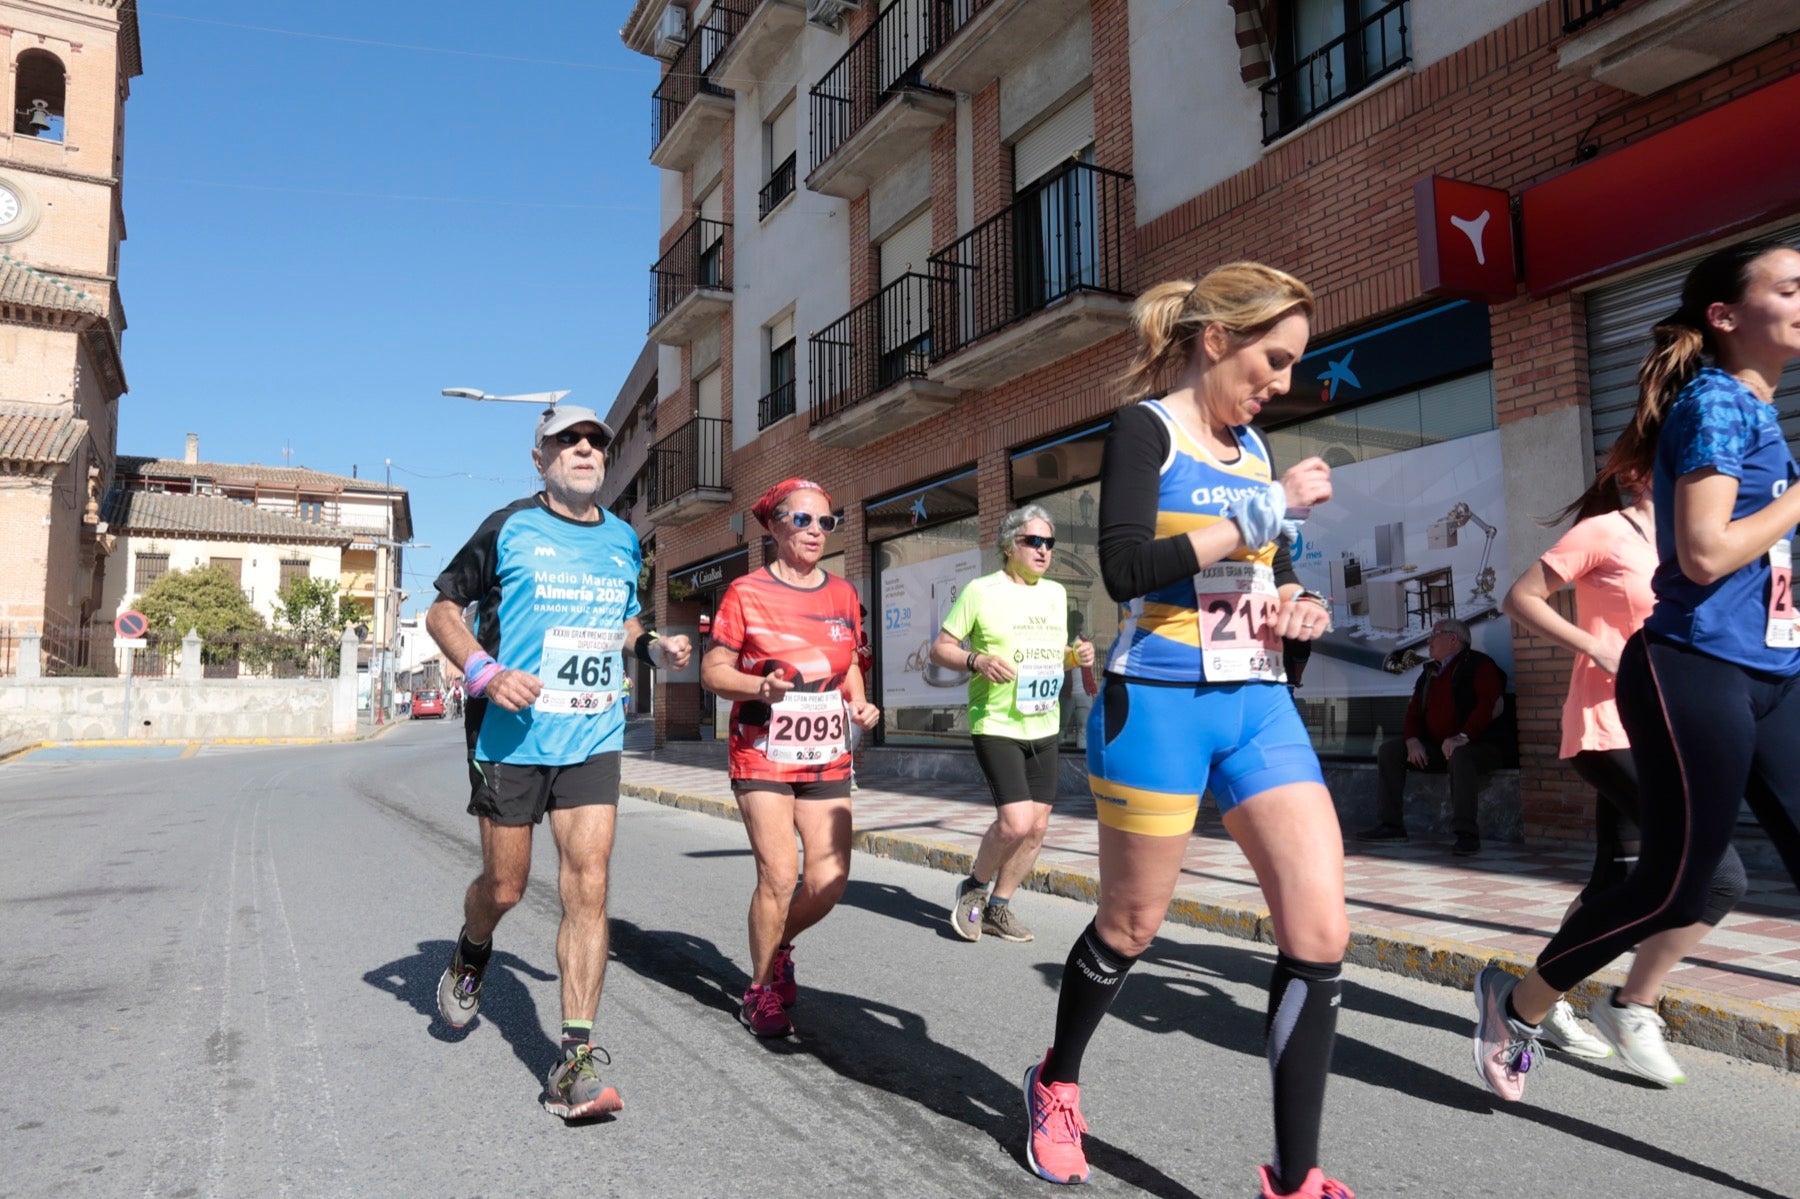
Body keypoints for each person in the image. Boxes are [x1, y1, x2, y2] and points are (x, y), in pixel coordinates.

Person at [1022, 263, 1350, 1199]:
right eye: (1273, 359)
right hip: (1157, 702)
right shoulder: (1146, 428)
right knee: (1131, 923)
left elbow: (1274, 570)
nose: (1282, 383)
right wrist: (1248, 519)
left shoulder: (1255, 453)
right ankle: (1056, 1081)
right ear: (1217, 340)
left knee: (1320, 929)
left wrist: (1302, 600)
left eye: (1292, 366)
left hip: (1256, 702)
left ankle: (1296, 1176)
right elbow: (1126, 566)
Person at [1472, 239, 1800, 1104]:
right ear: (1726, 317)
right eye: (1792, 287)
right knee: (1676, 880)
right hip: (1695, 670)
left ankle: (1599, 1001)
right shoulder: (1716, 403)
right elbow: (1702, 556)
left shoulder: (1760, 417)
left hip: (1774, 672)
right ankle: (1521, 1001)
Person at [425, 403, 692, 1120]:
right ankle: (473, 947)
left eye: (594, 441)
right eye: (565, 440)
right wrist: (484, 672)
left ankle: (573, 1054)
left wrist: (651, 647)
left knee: (589, 883)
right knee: (506, 887)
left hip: (591, 735)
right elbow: (442, 610)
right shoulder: (508, 526)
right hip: (510, 738)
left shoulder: (623, 540)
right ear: (540, 459)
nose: (584, 447)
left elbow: (623, 616)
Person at [1501, 473, 1747, 1084]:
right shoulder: (1605, 531)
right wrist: (1600, 648)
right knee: (1717, 875)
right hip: (1608, 725)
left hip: (1671, 728)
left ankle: (1543, 996)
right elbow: (1521, 597)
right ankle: (1629, 1004)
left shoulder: (1693, 542)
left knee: (1614, 878)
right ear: (1643, 473)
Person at [699, 479, 880, 1039]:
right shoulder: (745, 593)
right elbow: (712, 672)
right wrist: (759, 688)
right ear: (775, 526)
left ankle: (778, 947)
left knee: (828, 879)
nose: (815, 532)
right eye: (802, 521)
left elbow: (849, 659)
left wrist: (859, 701)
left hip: (825, 754)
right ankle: (758, 990)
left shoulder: (844, 594)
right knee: (779, 875)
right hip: (762, 751)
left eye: (826, 522)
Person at [932, 504, 1095, 944]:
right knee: (1015, 823)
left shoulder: (1056, 594)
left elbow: (1050, 655)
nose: (1044, 550)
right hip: (997, 721)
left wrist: (1075, 656)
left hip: (1043, 723)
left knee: (1039, 826)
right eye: (1034, 541)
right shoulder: (980, 591)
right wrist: (977, 659)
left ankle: (999, 907)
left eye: (1049, 543)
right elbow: (940, 648)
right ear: (1009, 545)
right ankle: (974, 889)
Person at [1355, 618, 1510, 855]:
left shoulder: (1479, 665)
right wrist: (1412, 740)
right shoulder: (1429, 672)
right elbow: (1414, 711)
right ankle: (1391, 825)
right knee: (1390, 751)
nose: (1429, 640)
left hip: (1479, 746)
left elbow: (1489, 705)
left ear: (1453, 639)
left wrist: (1463, 735)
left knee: (1461, 755)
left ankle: (1466, 834)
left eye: (1434, 634)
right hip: (1440, 747)